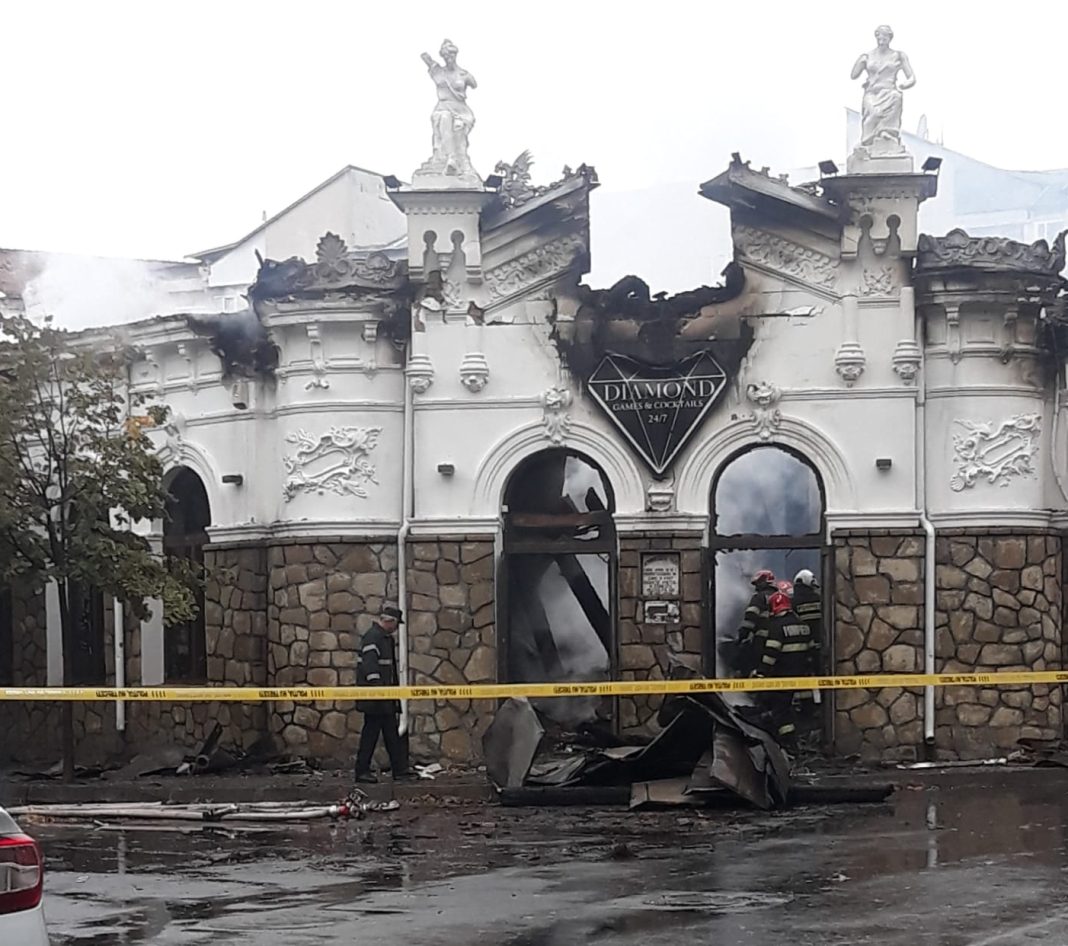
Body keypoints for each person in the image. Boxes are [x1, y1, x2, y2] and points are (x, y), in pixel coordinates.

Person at [752, 590, 819, 750]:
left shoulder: (776, 626)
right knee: (802, 709)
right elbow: (811, 650)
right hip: (802, 675)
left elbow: (771, 654)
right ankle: (804, 735)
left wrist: (761, 673)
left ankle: (788, 743)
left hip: (782, 675)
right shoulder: (803, 624)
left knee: (780, 709)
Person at [353, 605, 409, 784]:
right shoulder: (373, 637)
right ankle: (362, 771)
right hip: (376, 698)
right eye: (396, 624)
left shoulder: (384, 639)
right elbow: (370, 666)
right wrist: (378, 689)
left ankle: (400, 771)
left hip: (385, 697)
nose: (396, 629)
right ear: (389, 622)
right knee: (371, 734)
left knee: (391, 734)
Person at [850, 25, 915, 154]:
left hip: (889, 91)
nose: (883, 38)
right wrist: (861, 62)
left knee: (897, 97)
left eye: (886, 35)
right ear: (876, 36)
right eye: (880, 35)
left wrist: (905, 84)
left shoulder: (898, 56)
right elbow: (853, 75)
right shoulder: (868, 56)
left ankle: (887, 133)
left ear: (890, 38)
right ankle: (868, 141)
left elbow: (912, 77)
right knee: (873, 114)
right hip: (872, 93)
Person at [418, 40, 478, 179]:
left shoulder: (464, 74)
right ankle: (450, 159)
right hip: (443, 106)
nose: (448, 58)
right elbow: (425, 58)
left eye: (451, 55)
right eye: (445, 56)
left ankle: (459, 161)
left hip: (461, 110)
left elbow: (474, 84)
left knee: (458, 127)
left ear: (455, 55)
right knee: (444, 117)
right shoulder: (438, 71)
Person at [734, 569, 776, 676]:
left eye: (757, 584)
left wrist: (741, 637)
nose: (756, 587)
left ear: (764, 582)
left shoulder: (759, 597)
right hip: (778, 639)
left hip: (762, 640)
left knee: (753, 665)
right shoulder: (780, 597)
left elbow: (750, 619)